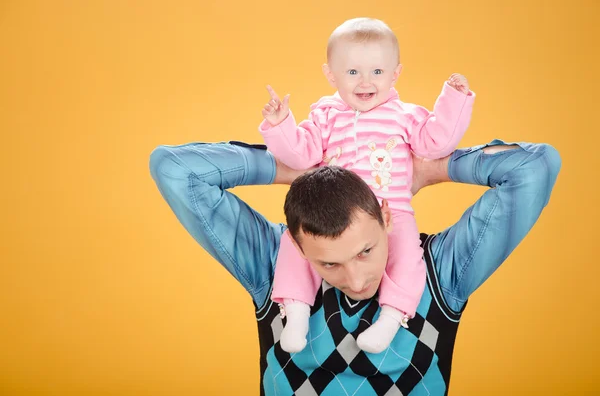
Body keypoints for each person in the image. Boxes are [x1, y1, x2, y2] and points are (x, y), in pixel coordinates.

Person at [149, 138, 560, 395]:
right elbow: (174, 168)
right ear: (295, 243)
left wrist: (432, 169)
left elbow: (534, 167)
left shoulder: (439, 270)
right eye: (330, 263)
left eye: (366, 251)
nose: (357, 279)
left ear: (386, 216)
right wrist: (302, 173)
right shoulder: (274, 263)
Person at [258, 17, 475, 354]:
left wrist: (454, 101)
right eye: (352, 72)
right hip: (334, 209)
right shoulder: (326, 116)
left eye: (377, 72)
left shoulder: (404, 115)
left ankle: (390, 319)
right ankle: (296, 313)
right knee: (296, 243)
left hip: (392, 211)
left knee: (407, 257)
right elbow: (302, 154)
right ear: (331, 75)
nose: (365, 82)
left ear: (395, 74)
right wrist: (280, 125)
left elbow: (435, 143)